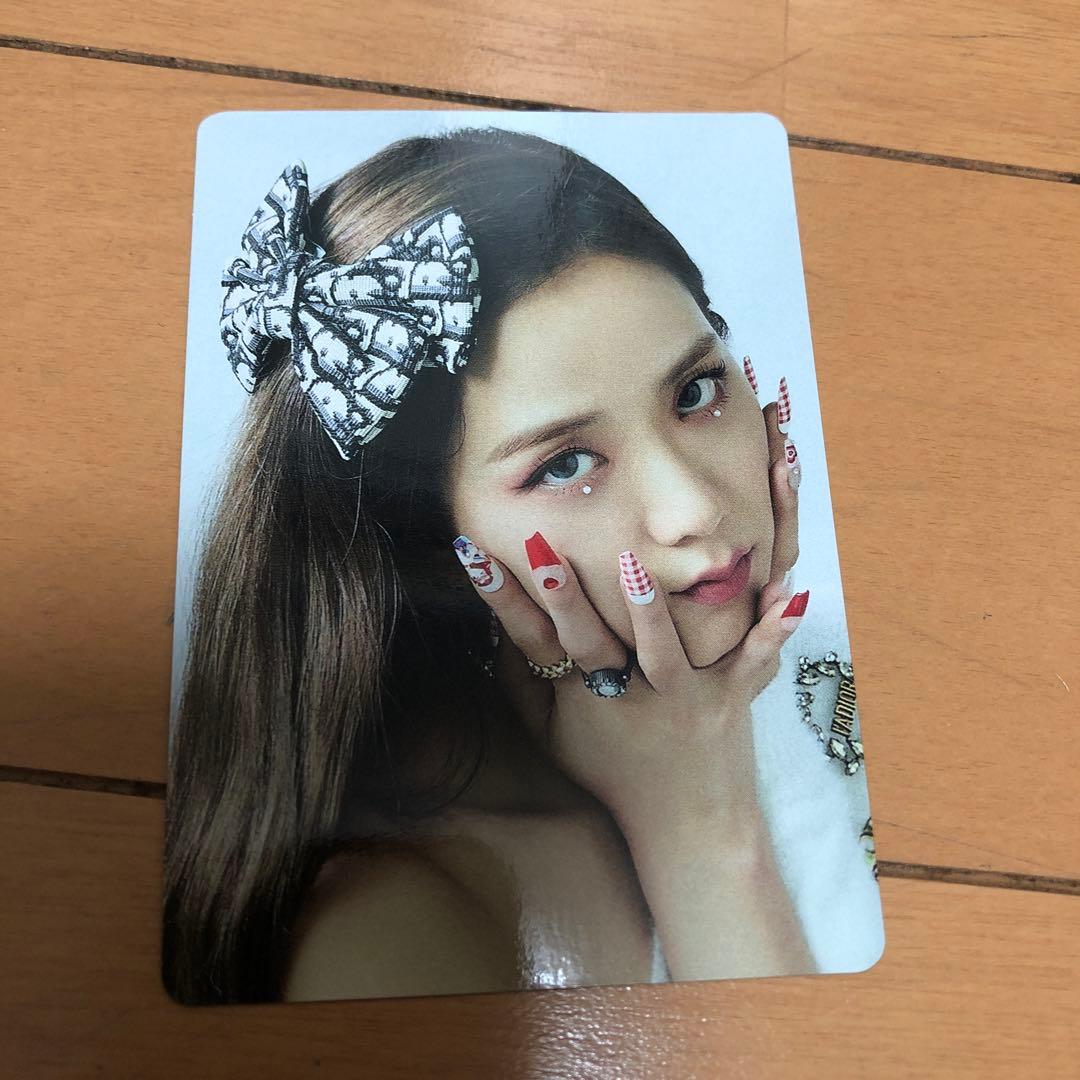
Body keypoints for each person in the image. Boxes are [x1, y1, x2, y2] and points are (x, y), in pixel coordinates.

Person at [162, 126, 881, 1006]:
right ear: (428, 541)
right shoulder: (393, 928)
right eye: (566, 464)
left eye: (696, 392)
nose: (693, 507)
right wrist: (697, 830)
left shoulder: (838, 663)